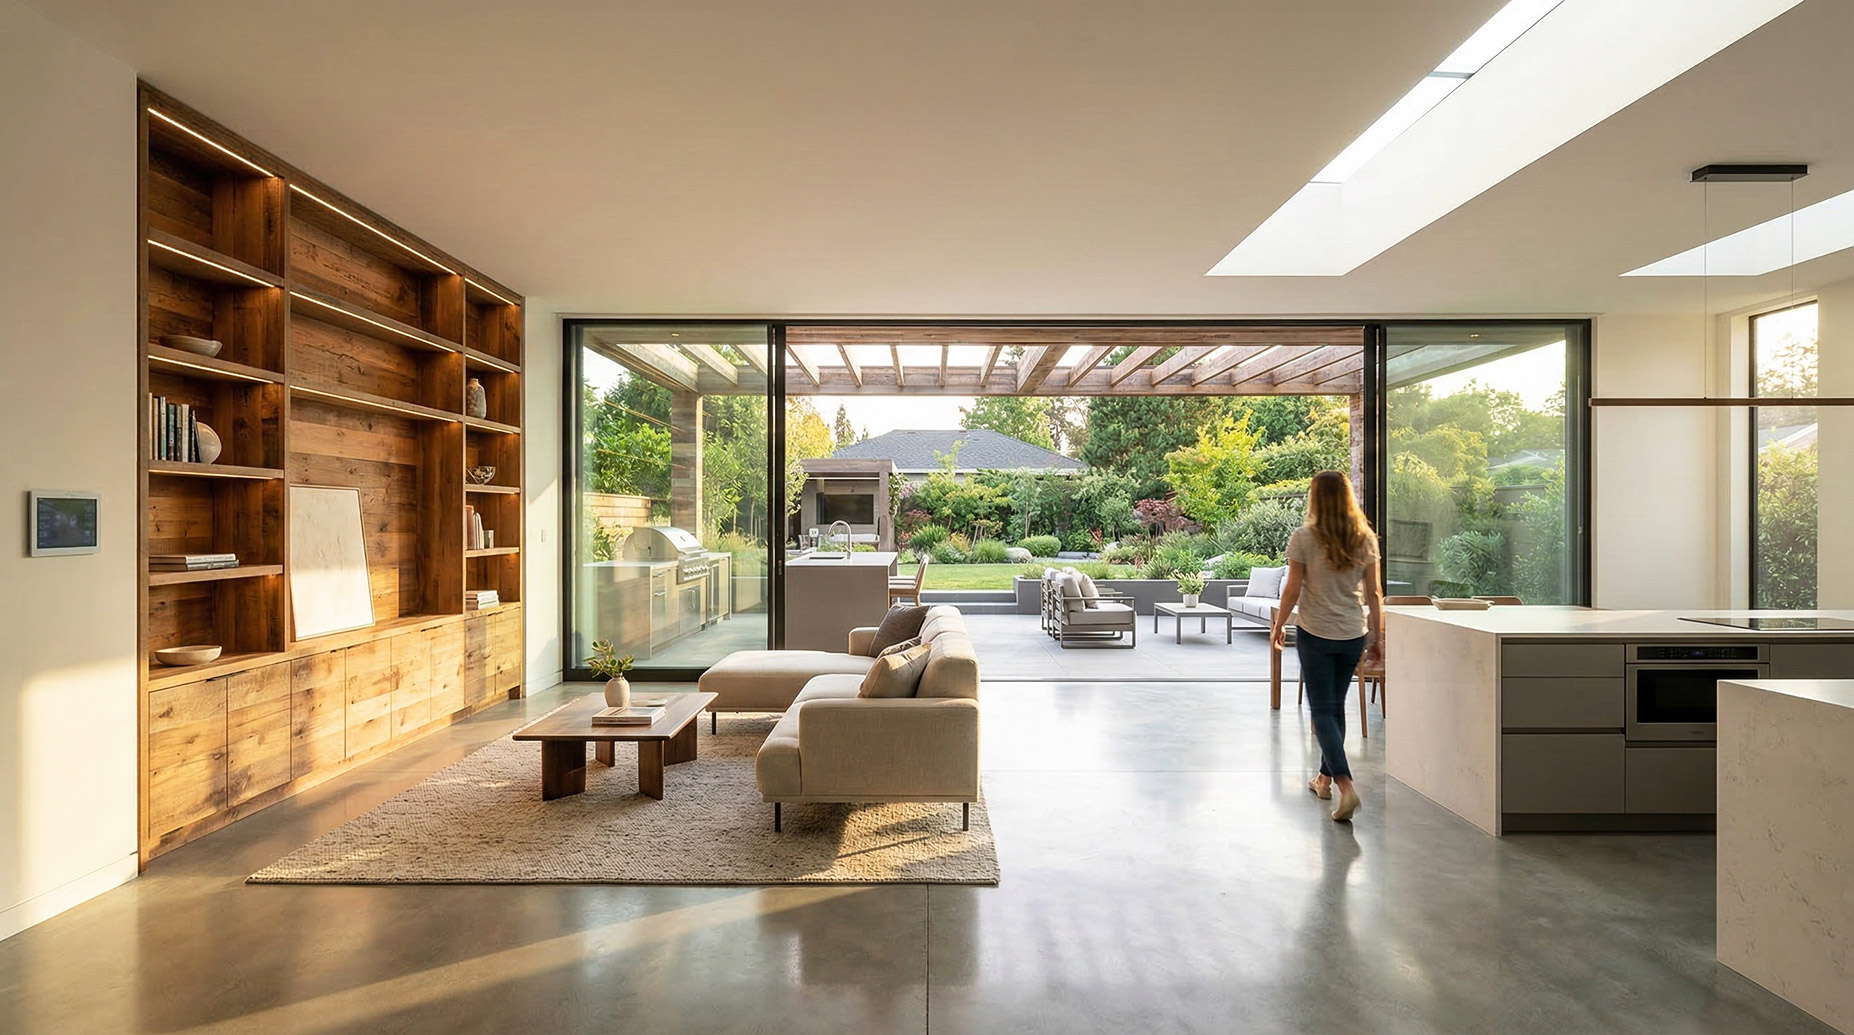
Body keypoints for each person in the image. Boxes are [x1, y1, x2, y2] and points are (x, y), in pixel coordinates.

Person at [1270, 470, 1384, 822]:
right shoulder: (1364, 538)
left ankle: (1345, 785)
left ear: (1315, 499)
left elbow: (1292, 589)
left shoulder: (1304, 537)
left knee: (1321, 711)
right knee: (1335, 707)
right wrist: (1377, 637)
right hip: (1352, 633)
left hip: (1316, 632)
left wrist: (1278, 626)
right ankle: (1323, 780)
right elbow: (1374, 595)